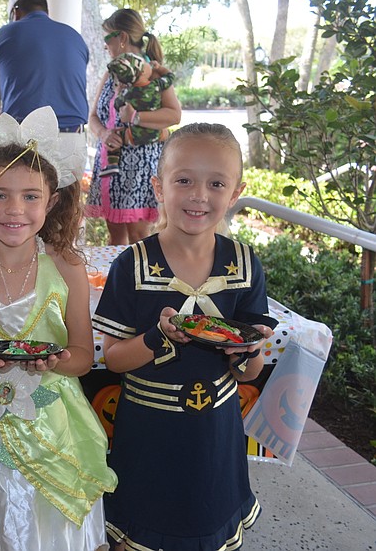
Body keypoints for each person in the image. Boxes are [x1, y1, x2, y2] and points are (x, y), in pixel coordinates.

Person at [0, 106, 117, 550]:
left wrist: (56, 359)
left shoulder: (67, 264)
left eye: (30, 196)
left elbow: (83, 356)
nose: (15, 209)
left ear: (51, 201)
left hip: (52, 423)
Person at [92, 123, 278, 551]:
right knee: (140, 530)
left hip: (216, 429)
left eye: (216, 184)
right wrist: (159, 337)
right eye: (184, 180)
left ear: (235, 194)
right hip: (149, 428)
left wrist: (248, 349)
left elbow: (249, 373)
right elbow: (115, 359)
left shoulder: (244, 264)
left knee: (208, 523)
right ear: (158, 187)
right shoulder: (133, 266)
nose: (199, 195)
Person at [85, 9, 182, 246]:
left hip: (142, 166)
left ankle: (141, 283)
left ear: (122, 38)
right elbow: (93, 116)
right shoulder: (111, 72)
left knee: (141, 239)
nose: (105, 45)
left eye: (107, 38)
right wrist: (104, 133)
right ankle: (117, 282)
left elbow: (174, 114)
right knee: (115, 238)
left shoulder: (153, 71)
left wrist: (136, 117)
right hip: (112, 165)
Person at [0, 0, 88, 132]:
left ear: (16, 12)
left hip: (24, 138)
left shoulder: (0, 38)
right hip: (74, 136)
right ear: (46, 11)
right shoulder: (76, 38)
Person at [99, 52, 174, 179]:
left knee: (116, 135)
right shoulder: (156, 85)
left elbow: (118, 106)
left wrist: (118, 92)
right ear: (143, 72)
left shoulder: (127, 93)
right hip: (156, 134)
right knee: (168, 133)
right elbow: (170, 76)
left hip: (133, 136)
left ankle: (113, 163)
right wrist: (160, 68)